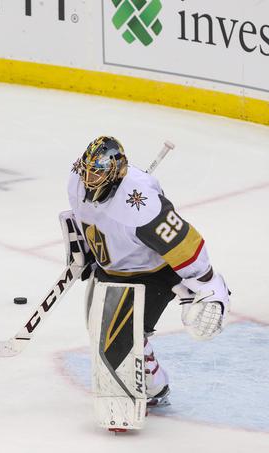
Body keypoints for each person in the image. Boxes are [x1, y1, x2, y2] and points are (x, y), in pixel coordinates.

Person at [64, 136, 230, 410]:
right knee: (102, 337)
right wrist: (87, 249)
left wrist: (207, 283)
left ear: (116, 174)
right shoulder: (75, 180)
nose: (89, 179)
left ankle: (154, 386)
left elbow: (182, 241)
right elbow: (86, 218)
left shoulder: (141, 206)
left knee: (120, 345)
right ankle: (147, 368)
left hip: (151, 272)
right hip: (113, 269)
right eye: (87, 170)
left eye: (98, 173)